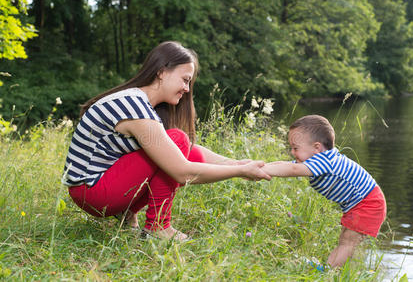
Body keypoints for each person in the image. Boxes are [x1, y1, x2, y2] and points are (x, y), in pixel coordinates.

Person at [61, 41, 271, 241]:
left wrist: (235, 163)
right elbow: (183, 171)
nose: (187, 89)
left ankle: (127, 214)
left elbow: (190, 152)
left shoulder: (137, 101)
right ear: (161, 72)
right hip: (93, 192)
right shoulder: (135, 108)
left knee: (179, 147)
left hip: (92, 189)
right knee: (177, 140)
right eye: (185, 80)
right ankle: (158, 227)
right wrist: (239, 172)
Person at [262, 115, 386, 268]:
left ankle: (328, 273)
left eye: (295, 148)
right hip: (363, 201)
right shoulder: (318, 158)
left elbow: (292, 169)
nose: (292, 153)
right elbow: (286, 164)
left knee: (348, 242)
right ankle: (329, 270)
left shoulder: (325, 161)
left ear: (317, 147)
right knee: (345, 240)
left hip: (368, 203)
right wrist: (260, 167)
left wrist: (262, 170)